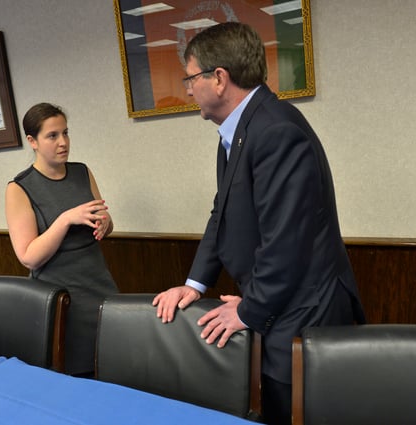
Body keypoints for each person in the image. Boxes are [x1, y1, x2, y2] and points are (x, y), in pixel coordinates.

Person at [152, 22, 365, 425]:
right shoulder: (238, 130)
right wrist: (195, 284)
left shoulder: (275, 130)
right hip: (281, 302)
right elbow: (224, 212)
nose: (186, 88)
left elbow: (286, 241)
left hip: (306, 310)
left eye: (191, 77)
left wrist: (250, 310)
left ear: (219, 79)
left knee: (292, 411)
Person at [6, 102, 118, 376]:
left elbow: (107, 222)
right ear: (32, 141)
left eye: (65, 133)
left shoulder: (82, 172)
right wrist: (66, 219)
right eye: (52, 136)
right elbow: (28, 257)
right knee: (73, 376)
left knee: (114, 366)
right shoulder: (19, 188)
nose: (63, 142)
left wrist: (104, 223)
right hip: (60, 299)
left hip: (99, 286)